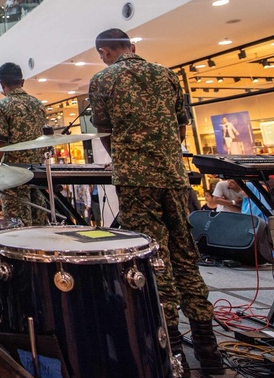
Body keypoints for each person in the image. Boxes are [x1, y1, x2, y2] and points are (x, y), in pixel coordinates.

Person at [88, 29, 223, 375]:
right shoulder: (167, 74)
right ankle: (209, 350)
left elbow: (106, 133)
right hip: (174, 176)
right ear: (132, 47)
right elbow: (180, 128)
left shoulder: (103, 79)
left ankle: (172, 347)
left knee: (151, 255)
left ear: (105, 52)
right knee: (184, 253)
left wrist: (124, 158)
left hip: (136, 181)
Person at [0, 62, 47, 227]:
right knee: (39, 223)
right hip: (38, 172)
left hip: (14, 174)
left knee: (18, 227)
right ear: (22, 81)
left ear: (2, 84)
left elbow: (0, 140)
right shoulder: (38, 104)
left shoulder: (3, 106)